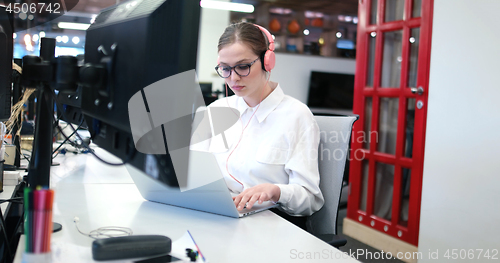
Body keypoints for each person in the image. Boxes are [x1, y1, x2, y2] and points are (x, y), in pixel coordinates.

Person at [193, 22, 324, 228]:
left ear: (267, 61)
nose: (233, 78)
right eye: (225, 69)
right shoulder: (215, 110)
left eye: (243, 67)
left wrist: (275, 190)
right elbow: (190, 170)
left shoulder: (296, 116)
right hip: (215, 214)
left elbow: (309, 199)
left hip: (267, 224)